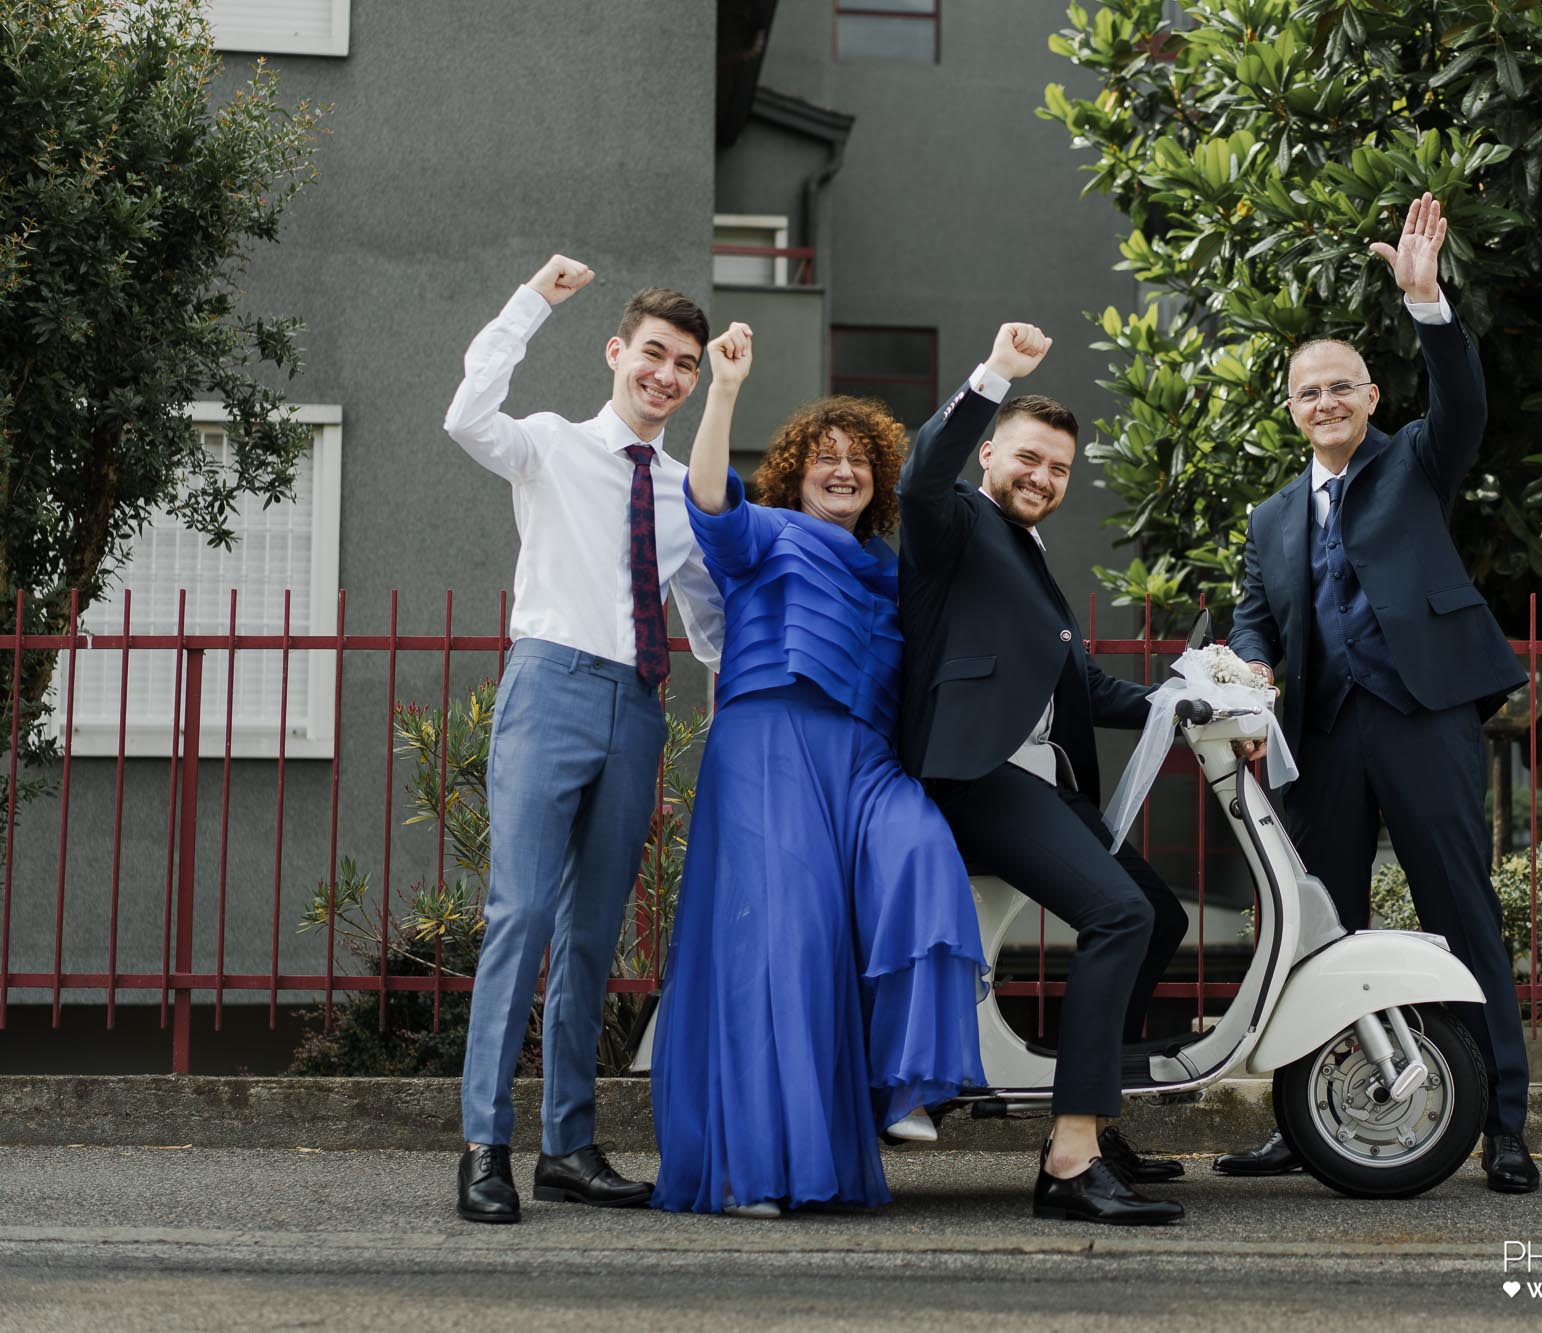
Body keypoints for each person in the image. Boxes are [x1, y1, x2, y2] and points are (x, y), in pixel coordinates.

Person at [1221, 195, 1538, 1193]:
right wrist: (1251, 667)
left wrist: (1426, 300)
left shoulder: (1411, 463)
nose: (1322, 402)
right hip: (1322, 735)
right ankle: (1303, 1119)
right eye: (1305, 391)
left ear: (1365, 398)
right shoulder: (1269, 517)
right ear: (1289, 408)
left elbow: (1463, 405)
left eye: (1338, 387)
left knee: (1461, 911)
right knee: (1316, 926)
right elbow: (1251, 617)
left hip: (1422, 719)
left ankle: (1503, 1125)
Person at [650, 323, 987, 1217]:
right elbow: (707, 494)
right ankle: (760, 1168)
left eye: (859, 460)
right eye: (824, 458)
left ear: (877, 475)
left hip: (865, 761)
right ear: (796, 469)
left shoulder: (889, 566)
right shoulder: (759, 534)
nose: (843, 471)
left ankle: (906, 1085)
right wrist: (722, 391)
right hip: (768, 747)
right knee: (783, 951)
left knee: (924, 855)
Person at [444, 255, 727, 1224]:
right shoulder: (553, 445)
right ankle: (485, 1145)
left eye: (684, 364)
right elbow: (464, 417)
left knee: (592, 933)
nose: (666, 375)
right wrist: (531, 302)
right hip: (550, 687)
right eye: (654, 353)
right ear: (618, 353)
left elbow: (710, 627)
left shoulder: (684, 492)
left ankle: (566, 1144)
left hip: (637, 707)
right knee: (520, 913)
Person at [897, 324, 1189, 1226]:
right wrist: (996, 374)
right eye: (1028, 458)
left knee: (1161, 916)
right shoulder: (953, 523)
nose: (1043, 478)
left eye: (1059, 469)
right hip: (973, 775)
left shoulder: (1026, 554)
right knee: (1119, 912)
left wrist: (1189, 698)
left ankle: (1097, 1113)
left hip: (1041, 782)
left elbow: (1084, 685)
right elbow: (918, 472)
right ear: (990, 453)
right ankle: (1068, 1160)